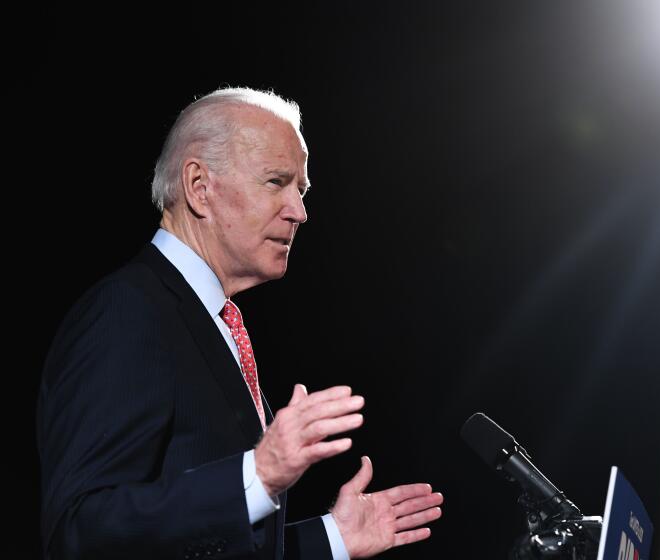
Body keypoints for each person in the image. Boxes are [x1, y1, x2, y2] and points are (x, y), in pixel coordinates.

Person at [36, 87, 443, 560]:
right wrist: (259, 474)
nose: (299, 211)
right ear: (198, 186)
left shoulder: (214, 322)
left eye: (302, 190)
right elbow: (78, 531)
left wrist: (332, 538)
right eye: (275, 182)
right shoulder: (127, 311)